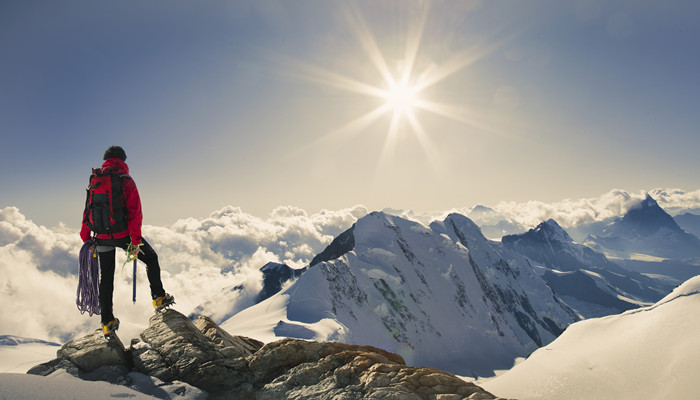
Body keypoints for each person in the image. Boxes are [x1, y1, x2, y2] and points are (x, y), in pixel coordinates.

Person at [80, 146, 174, 336]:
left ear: (105, 160)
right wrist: (135, 243)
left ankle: (107, 322)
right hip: (123, 235)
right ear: (123, 160)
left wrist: (86, 239)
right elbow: (135, 214)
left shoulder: (95, 180)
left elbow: (87, 210)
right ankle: (159, 297)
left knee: (105, 278)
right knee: (151, 259)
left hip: (101, 237)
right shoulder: (126, 180)